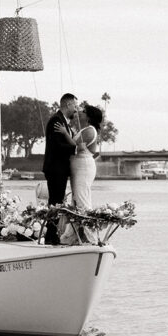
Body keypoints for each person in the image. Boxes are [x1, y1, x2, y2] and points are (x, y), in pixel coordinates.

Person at [59, 104, 103, 245]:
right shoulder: (85, 129)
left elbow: (74, 146)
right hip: (78, 167)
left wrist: (65, 133)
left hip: (84, 167)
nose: (80, 113)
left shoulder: (90, 131)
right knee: (76, 200)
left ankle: (92, 238)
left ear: (89, 116)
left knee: (82, 199)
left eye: (84, 112)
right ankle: (72, 237)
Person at [42, 92, 79, 244]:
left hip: (60, 169)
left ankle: (52, 233)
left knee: (58, 201)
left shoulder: (63, 122)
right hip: (55, 168)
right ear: (68, 104)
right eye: (75, 105)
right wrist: (75, 149)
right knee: (55, 201)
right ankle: (51, 235)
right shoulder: (56, 121)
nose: (76, 109)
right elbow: (56, 146)